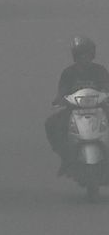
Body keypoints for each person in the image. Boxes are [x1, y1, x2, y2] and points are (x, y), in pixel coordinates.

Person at [45, 36, 109, 174]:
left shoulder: (100, 70)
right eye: (81, 55)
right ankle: (66, 157)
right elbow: (61, 92)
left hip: (100, 109)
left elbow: (106, 86)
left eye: (87, 54)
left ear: (92, 55)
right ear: (76, 56)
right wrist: (59, 99)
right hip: (74, 111)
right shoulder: (68, 73)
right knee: (51, 124)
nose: (84, 58)